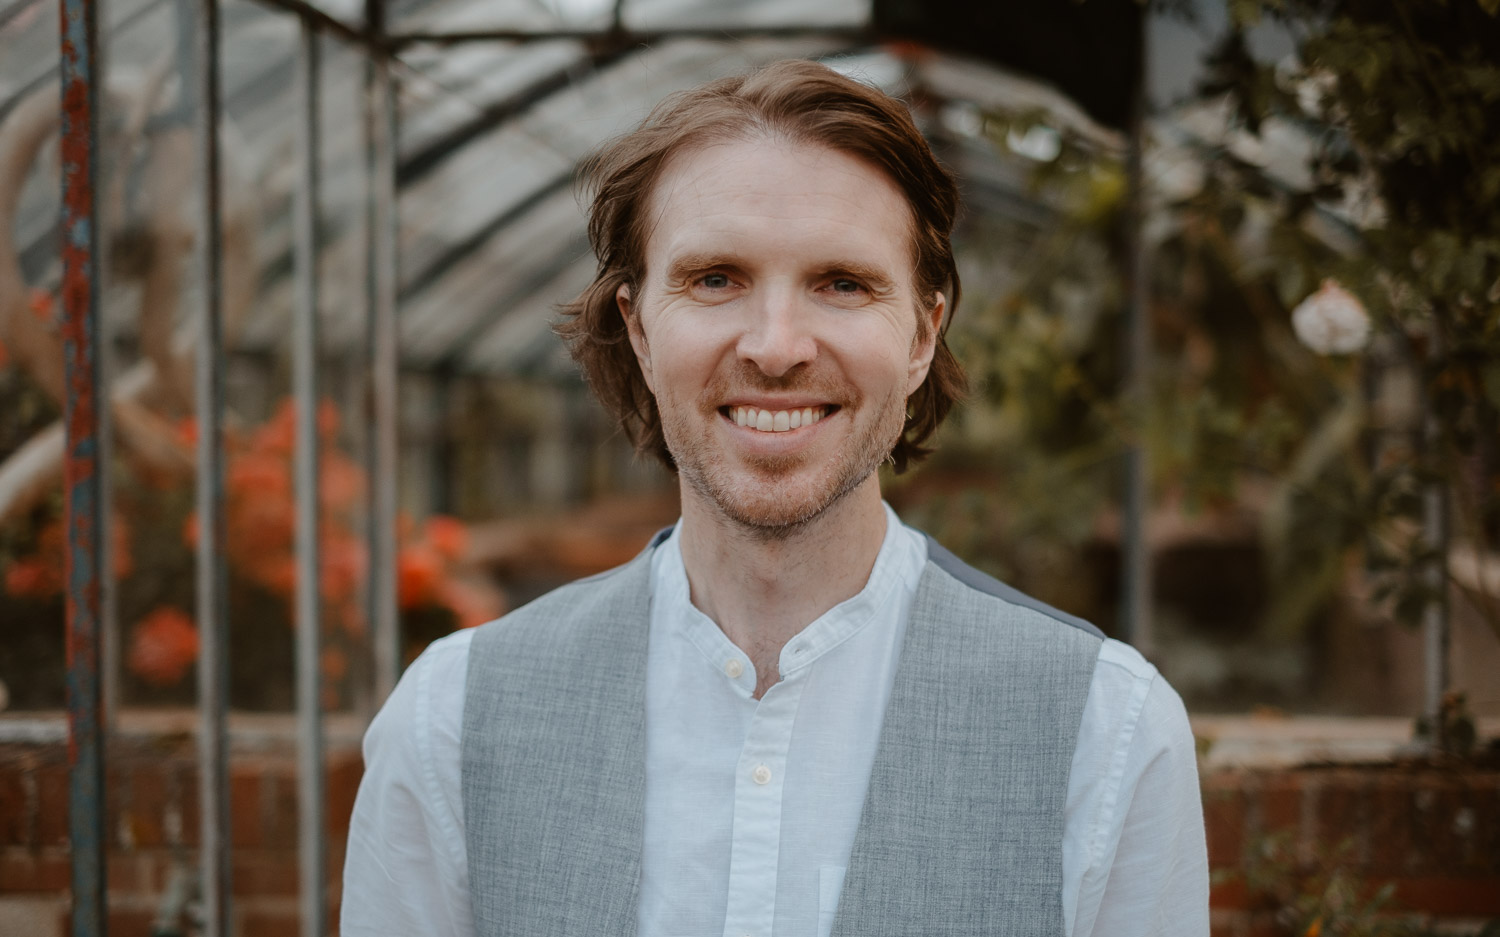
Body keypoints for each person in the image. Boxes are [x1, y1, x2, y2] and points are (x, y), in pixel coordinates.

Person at [341, 59, 1208, 937]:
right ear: (640, 330)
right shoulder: (451, 720)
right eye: (717, 278)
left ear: (921, 335)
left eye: (842, 282)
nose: (776, 345)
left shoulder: (1108, 733)